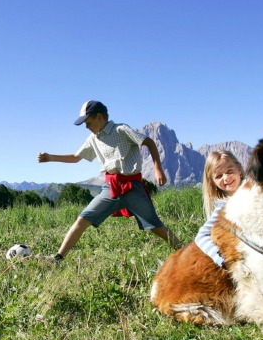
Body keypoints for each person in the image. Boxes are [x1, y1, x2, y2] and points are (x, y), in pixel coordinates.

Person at [38, 100, 182, 262]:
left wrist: (157, 168)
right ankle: (58, 258)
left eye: (88, 122)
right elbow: (76, 157)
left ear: (99, 117)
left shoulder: (121, 130)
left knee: (156, 227)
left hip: (132, 187)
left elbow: (148, 142)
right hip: (110, 188)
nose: (86, 127)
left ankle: (184, 252)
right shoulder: (93, 139)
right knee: (82, 219)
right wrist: (50, 157)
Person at [194, 150, 244, 266]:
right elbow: (201, 236)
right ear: (213, 182)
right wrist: (221, 258)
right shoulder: (222, 208)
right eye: (219, 176)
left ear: (239, 169)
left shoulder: (255, 190)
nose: (226, 178)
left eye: (230, 171)